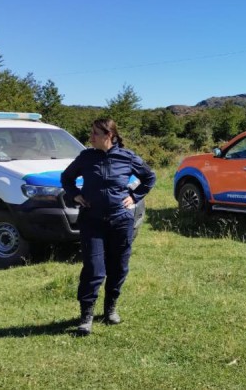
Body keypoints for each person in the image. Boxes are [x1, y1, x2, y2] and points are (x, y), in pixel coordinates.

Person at [61, 119, 157, 336]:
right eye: (91, 133)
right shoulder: (86, 157)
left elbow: (149, 177)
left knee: (119, 267)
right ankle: (86, 316)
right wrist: (75, 194)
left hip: (121, 221)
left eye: (95, 133)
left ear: (109, 136)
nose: (91, 137)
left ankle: (110, 309)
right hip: (92, 221)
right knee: (94, 269)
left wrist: (134, 196)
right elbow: (66, 178)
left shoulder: (127, 157)